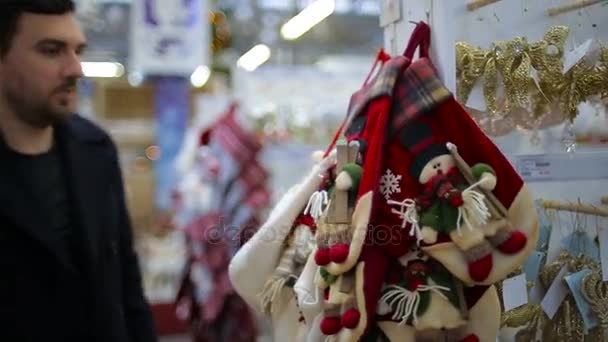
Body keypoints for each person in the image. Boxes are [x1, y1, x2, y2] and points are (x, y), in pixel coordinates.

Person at [0, 1, 158, 341]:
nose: (75, 69)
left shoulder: (96, 151)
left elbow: (127, 287)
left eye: (78, 50)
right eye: (51, 50)